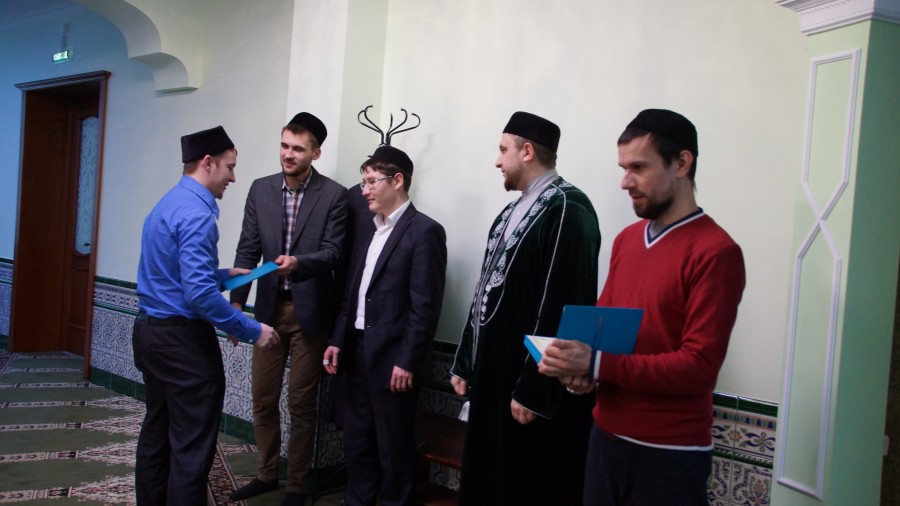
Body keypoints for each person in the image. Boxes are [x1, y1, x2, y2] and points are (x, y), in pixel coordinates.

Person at [538, 109, 746, 505]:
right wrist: (578, 372)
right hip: (605, 440)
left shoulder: (716, 252)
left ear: (681, 163)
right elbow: (602, 332)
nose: (625, 182)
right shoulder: (627, 240)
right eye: (623, 168)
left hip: (669, 455)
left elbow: (699, 367)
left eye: (638, 167)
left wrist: (597, 364)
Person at [450, 111, 601, 505]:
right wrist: (465, 363)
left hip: (524, 388)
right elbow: (484, 293)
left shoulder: (567, 208)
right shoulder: (508, 214)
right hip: (493, 380)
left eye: (503, 150)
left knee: (520, 486)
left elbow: (564, 305)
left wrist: (535, 390)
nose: (497, 161)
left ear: (528, 151)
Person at [132, 125, 280, 505]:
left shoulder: (167, 204)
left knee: (158, 433)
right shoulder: (197, 215)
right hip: (182, 344)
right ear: (208, 163)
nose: (233, 177)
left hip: (150, 334)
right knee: (191, 447)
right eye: (230, 167)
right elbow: (198, 296)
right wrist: (252, 330)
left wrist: (223, 275)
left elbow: (171, 277)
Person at [228, 113, 348, 506]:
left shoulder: (334, 196)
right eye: (284, 145)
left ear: (316, 153)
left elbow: (334, 253)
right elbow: (247, 250)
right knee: (263, 397)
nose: (288, 154)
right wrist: (235, 305)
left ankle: (296, 485)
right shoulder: (260, 189)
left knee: (300, 403)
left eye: (298, 148)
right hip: (268, 312)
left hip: (309, 316)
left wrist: (299, 263)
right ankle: (266, 474)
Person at [324, 144, 447, 506]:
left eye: (371, 181)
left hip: (393, 360)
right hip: (356, 351)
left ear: (397, 180)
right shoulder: (370, 228)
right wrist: (337, 340)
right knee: (357, 441)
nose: (364, 190)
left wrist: (407, 360)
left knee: (394, 448)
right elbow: (354, 292)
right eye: (362, 182)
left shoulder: (424, 231)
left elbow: (425, 307)